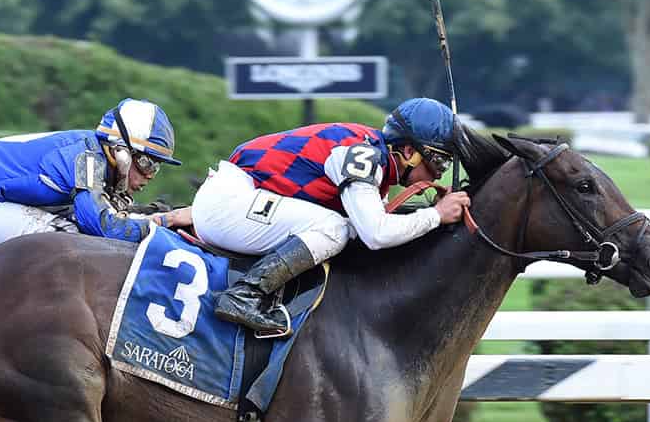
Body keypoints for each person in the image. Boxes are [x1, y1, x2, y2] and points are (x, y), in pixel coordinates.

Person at [193, 97, 472, 336]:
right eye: (438, 161)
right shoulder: (364, 156)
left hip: (239, 199)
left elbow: (375, 223)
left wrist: (432, 212)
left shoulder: (374, 159)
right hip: (229, 203)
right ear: (409, 152)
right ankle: (244, 295)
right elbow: (376, 234)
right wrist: (436, 215)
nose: (439, 173)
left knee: (344, 228)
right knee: (334, 228)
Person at [0, 98, 194, 254]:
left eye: (156, 167)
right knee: (73, 243)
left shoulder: (94, 154)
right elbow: (104, 228)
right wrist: (168, 219)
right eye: (147, 163)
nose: (149, 176)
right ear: (120, 152)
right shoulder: (87, 160)